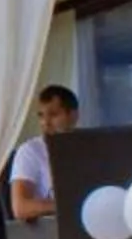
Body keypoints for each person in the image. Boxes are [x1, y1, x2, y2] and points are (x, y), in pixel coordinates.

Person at [8, 83, 80, 222]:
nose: (45, 123)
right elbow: (20, 207)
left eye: (53, 115)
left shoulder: (88, 147)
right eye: (41, 116)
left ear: (73, 116)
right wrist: (68, 205)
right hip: (51, 228)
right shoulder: (30, 151)